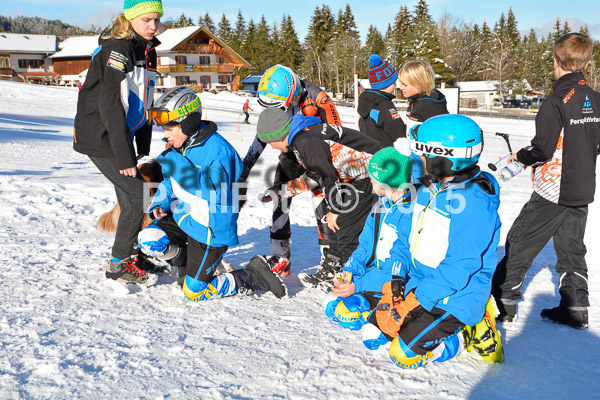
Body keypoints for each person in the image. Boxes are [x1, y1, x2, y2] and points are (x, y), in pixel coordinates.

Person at [369, 114, 504, 369]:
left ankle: (465, 335)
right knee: (373, 335)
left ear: (444, 158)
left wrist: (409, 304)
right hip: (422, 284)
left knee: (402, 354)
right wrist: (394, 284)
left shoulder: (472, 203)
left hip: (456, 294)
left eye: (424, 155)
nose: (420, 161)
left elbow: (459, 267)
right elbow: (403, 241)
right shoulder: (427, 190)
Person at [492, 33, 600, 329]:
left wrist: (520, 157)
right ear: (586, 63)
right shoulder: (595, 98)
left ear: (555, 62)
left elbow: (542, 149)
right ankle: (575, 307)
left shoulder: (555, 101)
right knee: (571, 247)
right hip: (582, 188)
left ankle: (503, 302)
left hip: (553, 189)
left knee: (520, 241)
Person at [138, 86, 286, 301]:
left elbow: (216, 193)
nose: (165, 134)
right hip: (185, 217)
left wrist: (176, 162)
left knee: (194, 292)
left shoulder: (219, 152)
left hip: (210, 230)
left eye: (170, 127)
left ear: (188, 122)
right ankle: (187, 268)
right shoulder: (181, 147)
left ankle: (254, 275)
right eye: (163, 128)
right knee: (149, 240)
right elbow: (170, 184)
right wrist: (159, 204)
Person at [73, 0, 163, 285]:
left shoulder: (147, 50)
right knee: (138, 197)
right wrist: (125, 157)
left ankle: (133, 256)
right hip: (100, 135)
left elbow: (145, 101)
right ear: (131, 18)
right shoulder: (118, 48)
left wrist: (144, 150)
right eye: (146, 20)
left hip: (122, 133)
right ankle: (118, 265)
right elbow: (110, 105)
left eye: (157, 20)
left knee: (131, 197)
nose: (153, 26)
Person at [255, 108, 381, 290]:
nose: (272, 147)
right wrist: (280, 191)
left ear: (278, 133)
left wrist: (335, 209)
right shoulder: (302, 137)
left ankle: (346, 277)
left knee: (345, 226)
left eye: (270, 142)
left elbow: (327, 176)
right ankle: (332, 271)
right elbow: (315, 176)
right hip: (357, 177)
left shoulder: (305, 141)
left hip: (376, 173)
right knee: (340, 228)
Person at [241, 64, 342, 276]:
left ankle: (330, 260)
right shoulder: (275, 98)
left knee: (322, 204)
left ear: (293, 96)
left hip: (318, 154)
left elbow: (337, 135)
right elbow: (263, 135)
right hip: (290, 154)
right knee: (279, 198)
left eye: (279, 108)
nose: (276, 112)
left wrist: (327, 173)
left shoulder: (319, 98)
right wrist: (245, 168)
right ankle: (280, 256)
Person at [322, 147, 414, 332]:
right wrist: (347, 273)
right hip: (374, 276)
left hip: (394, 284)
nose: (370, 179)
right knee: (330, 303)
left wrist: (358, 286)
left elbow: (398, 267)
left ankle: (387, 319)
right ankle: (373, 310)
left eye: (374, 176)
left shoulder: (409, 213)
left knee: (347, 314)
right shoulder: (380, 206)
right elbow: (364, 247)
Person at [397, 59, 449, 181]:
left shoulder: (428, 104)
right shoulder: (416, 100)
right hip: (415, 156)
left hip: (424, 163)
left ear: (419, 83)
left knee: (420, 193)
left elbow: (439, 137)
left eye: (405, 84)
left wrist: (427, 168)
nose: (400, 87)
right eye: (400, 83)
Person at [357, 54, 406, 147]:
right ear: (385, 84)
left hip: (371, 152)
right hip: (388, 155)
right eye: (394, 83)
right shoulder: (384, 105)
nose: (396, 85)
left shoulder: (366, 103)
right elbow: (397, 131)